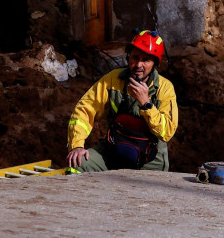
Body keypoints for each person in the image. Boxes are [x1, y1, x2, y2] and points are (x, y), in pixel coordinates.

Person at [66, 30, 178, 173]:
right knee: (77, 164)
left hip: (150, 160)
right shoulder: (113, 79)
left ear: (155, 64)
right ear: (128, 56)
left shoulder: (165, 88)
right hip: (113, 150)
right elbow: (84, 109)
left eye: (146, 60)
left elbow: (166, 132)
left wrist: (146, 104)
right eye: (135, 57)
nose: (138, 64)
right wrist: (77, 146)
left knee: (150, 192)